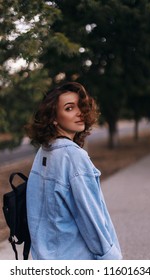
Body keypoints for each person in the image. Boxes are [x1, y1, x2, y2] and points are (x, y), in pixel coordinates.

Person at [25, 81, 122, 260]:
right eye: (69, 108)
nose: (79, 113)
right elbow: (90, 218)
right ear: (54, 118)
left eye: (81, 107)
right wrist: (110, 258)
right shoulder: (73, 156)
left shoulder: (45, 150)